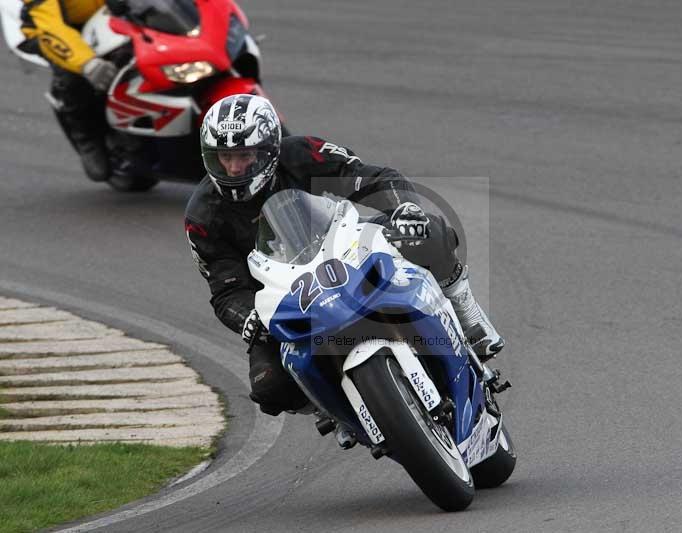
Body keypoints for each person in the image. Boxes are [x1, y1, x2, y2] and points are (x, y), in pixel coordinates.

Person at [184, 94, 504, 426]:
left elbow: (369, 178)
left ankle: (468, 318)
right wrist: (248, 317)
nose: (234, 168)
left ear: (268, 151)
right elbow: (224, 289)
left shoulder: (300, 153)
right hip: (282, 295)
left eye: (245, 156)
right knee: (270, 388)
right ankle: (337, 413)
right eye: (225, 157)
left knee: (424, 232)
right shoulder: (203, 215)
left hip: (343, 246)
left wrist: (402, 209)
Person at [19, 0, 117, 181]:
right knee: (73, 78)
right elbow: (51, 26)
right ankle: (86, 136)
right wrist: (87, 63)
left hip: (108, 18)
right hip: (52, 29)